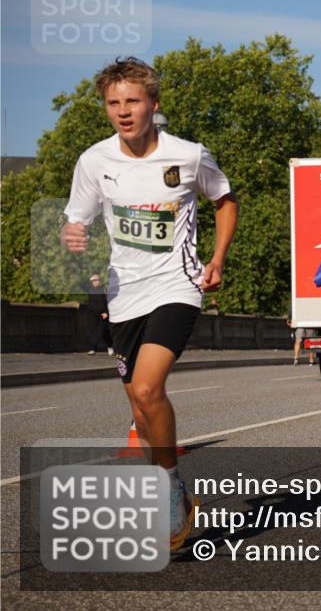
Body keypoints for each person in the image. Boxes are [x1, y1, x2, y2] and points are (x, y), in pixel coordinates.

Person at [60, 57, 238, 551]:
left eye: (132, 101)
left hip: (177, 285)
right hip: (123, 295)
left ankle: (168, 491)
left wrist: (217, 260)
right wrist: (72, 233)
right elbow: (78, 218)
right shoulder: (94, 161)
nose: (122, 111)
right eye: (113, 103)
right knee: (140, 403)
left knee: (147, 384)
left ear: (152, 105)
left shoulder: (188, 155)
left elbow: (225, 200)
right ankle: (175, 496)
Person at [85, 273, 113, 355]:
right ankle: (92, 349)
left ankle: (110, 346)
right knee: (92, 331)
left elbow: (110, 302)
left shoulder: (104, 289)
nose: (97, 281)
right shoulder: (89, 289)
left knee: (103, 331)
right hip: (92, 313)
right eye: (95, 280)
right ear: (91, 281)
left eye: (98, 279)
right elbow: (81, 282)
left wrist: (107, 312)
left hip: (103, 313)